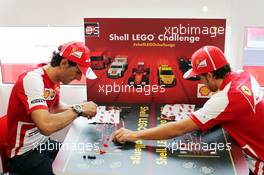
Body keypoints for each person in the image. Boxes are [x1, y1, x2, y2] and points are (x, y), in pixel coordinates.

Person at [113, 46, 264, 175]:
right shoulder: (243, 75)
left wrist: (134, 134)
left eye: (200, 77)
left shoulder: (226, 98)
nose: (200, 82)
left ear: (210, 75)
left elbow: (179, 129)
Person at [6, 41, 98, 175]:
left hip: (43, 144)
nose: (79, 78)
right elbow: (46, 126)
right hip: (24, 154)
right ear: (64, 63)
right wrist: (79, 109)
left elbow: (54, 106)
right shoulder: (33, 80)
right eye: (78, 72)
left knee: (80, 157)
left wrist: (81, 109)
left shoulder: (54, 79)